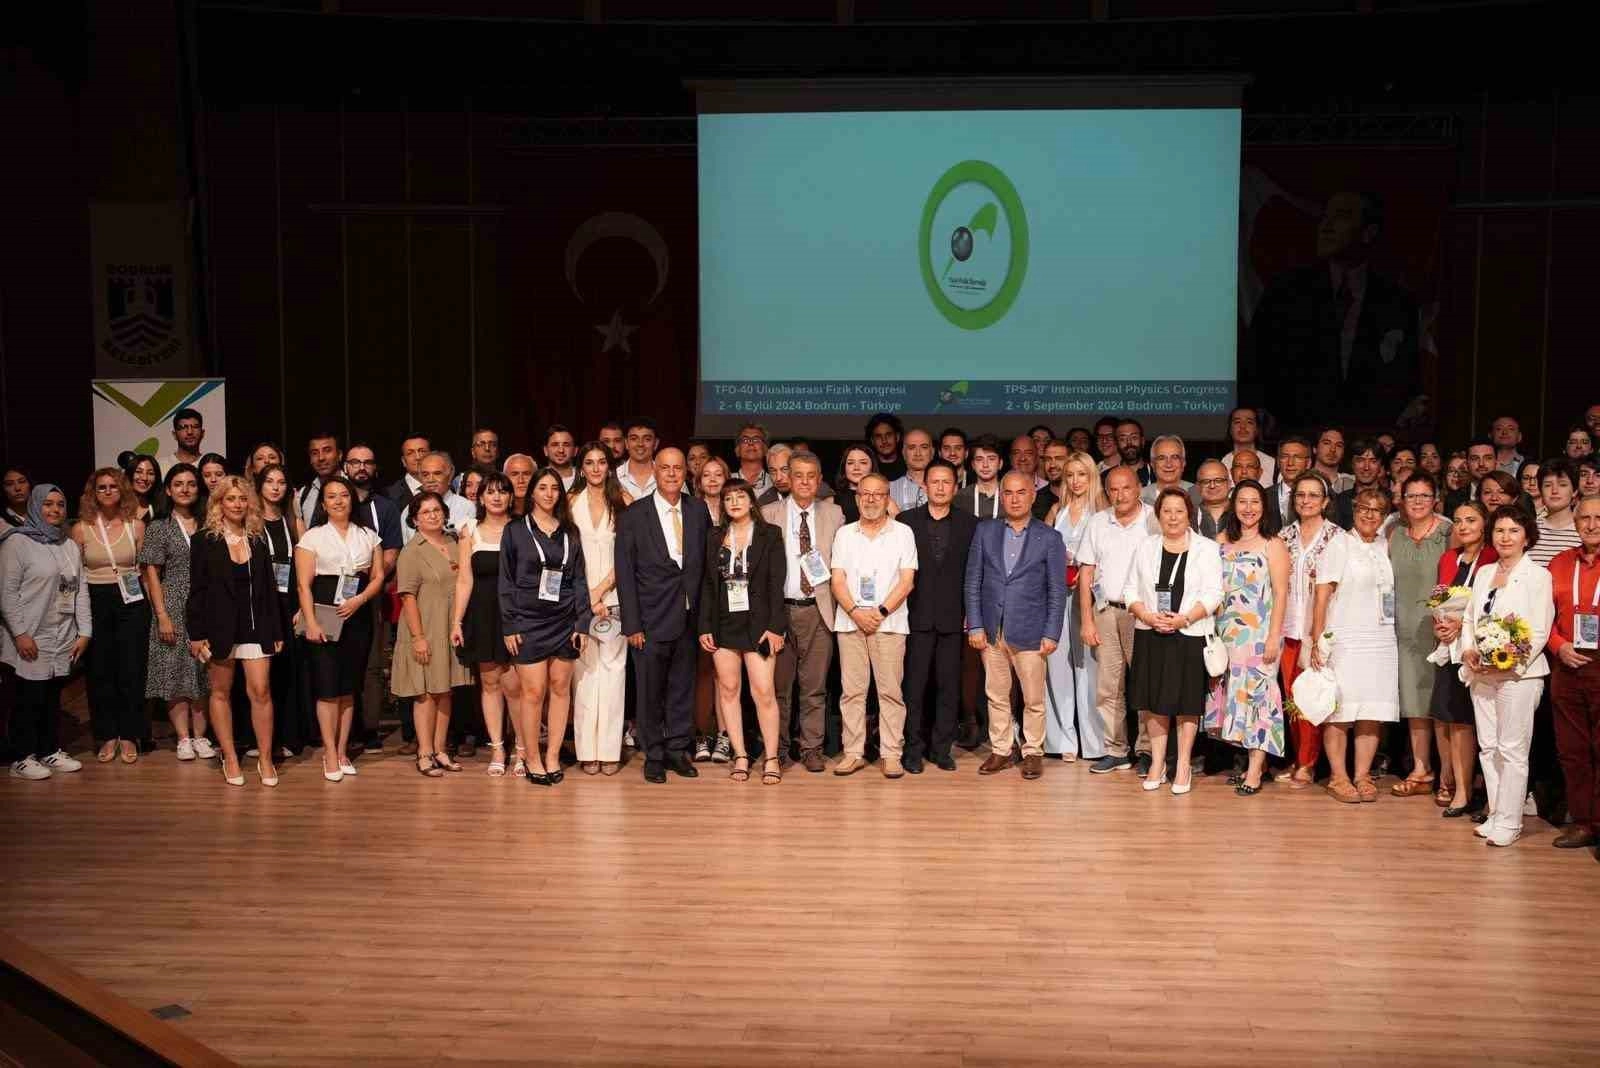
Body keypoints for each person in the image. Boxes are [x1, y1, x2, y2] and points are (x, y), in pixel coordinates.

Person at [1248, 190, 1421, 430]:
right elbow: (1256, 361)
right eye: (1324, 217)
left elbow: (1407, 377)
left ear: (1368, 232)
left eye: (1341, 216)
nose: (1326, 226)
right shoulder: (1285, 292)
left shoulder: (1397, 302)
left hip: (1367, 440)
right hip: (1295, 437)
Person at [966, 471, 1068, 781]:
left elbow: (1057, 590)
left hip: (1031, 630)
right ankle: (1001, 749)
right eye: (1008, 493)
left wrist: (1051, 632)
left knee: (1033, 697)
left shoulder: (1050, 538)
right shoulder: (985, 531)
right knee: (996, 694)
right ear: (1001, 496)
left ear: (1033, 495)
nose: (1014, 499)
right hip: (992, 629)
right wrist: (975, 625)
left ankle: (1033, 751)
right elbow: (972, 582)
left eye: (1021, 492)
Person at [1462, 507, 1554, 847]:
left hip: (1518, 675)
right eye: (1500, 530)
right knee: (1488, 748)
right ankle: (1497, 812)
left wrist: (1508, 663)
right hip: (1481, 673)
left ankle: (1511, 821)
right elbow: (1470, 618)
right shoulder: (1484, 572)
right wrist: (1468, 650)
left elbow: (1540, 629)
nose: (1505, 537)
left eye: (1513, 530)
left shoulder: (1538, 576)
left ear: (1527, 537)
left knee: (1512, 749)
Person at [187, 476, 285, 787]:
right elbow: (197, 591)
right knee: (221, 692)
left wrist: (276, 629)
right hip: (219, 629)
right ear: (219, 503)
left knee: (261, 691)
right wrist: (196, 633)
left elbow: (269, 589)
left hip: (257, 627)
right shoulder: (203, 540)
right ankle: (229, 756)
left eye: (242, 499)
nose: (237, 504)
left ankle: (266, 759)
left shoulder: (258, 538)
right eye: (230, 499)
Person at [616, 448, 707, 783]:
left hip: (689, 617)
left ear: (686, 473)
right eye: (665, 468)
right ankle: (653, 754)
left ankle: (677, 750)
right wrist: (632, 624)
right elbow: (625, 572)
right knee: (650, 692)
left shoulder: (697, 510)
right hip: (650, 620)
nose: (671, 474)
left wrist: (705, 620)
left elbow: (704, 568)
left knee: (682, 688)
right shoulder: (634, 515)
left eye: (677, 468)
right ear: (655, 471)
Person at [1124, 487, 1222, 794]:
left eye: (1179, 511)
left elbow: (1214, 594)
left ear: (1189, 514)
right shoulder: (1146, 547)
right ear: (1158, 515)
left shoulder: (1206, 548)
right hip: (1151, 631)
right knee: (1154, 701)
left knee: (1186, 702)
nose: (1173, 517)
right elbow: (1130, 590)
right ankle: (1157, 763)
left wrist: (1185, 619)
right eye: (1166, 511)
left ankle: (1182, 765)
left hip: (1189, 633)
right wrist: (1146, 614)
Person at [501, 469, 591, 786]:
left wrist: (582, 622)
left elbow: (579, 579)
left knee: (560, 688)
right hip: (527, 619)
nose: (549, 493)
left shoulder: (570, 532)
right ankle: (532, 757)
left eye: (555, 488)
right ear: (532, 493)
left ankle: (552, 755)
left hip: (565, 618)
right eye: (542, 487)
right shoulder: (515, 530)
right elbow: (506, 581)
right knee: (533, 691)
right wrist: (509, 624)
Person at [295, 475, 387, 782]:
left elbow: (378, 577)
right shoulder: (312, 537)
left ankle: (343, 749)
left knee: (349, 688)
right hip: (324, 613)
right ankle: (330, 752)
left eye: (344, 495)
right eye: (331, 496)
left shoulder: (368, 535)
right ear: (323, 504)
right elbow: (303, 585)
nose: (338, 501)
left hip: (357, 614)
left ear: (352, 499)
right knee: (328, 687)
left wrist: (360, 600)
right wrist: (311, 621)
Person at [698, 480, 786, 785]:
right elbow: (708, 586)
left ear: (751, 501)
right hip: (723, 623)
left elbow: (776, 584)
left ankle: (771, 757)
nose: (734, 502)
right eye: (728, 498)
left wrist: (776, 627)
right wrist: (704, 626)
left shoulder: (770, 534)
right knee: (728, 689)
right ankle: (740, 755)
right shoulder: (714, 536)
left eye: (740, 496)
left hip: (759, 625)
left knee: (763, 691)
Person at [830, 473, 917, 777]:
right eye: (865, 494)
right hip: (850, 622)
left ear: (887, 498)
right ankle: (853, 752)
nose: (870, 499)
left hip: (889, 623)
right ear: (857, 499)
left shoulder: (903, 533)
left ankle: (891, 753)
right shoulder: (844, 534)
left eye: (877, 494)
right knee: (852, 692)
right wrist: (856, 612)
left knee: (890, 692)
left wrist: (879, 612)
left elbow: (907, 581)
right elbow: (837, 580)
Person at [1204, 480, 1288, 794]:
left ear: (1264, 507)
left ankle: (1254, 771)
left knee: (1260, 699)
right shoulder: (1220, 542)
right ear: (1233, 505)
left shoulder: (1273, 544)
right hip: (1226, 634)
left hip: (1259, 635)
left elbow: (1281, 594)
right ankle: (1254, 763)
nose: (1248, 508)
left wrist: (1273, 636)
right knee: (1234, 698)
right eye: (1242, 501)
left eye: (1255, 502)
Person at [763, 449, 844, 774]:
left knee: (815, 688)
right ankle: (779, 748)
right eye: (798, 475)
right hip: (779, 613)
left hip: (818, 611)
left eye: (812, 476)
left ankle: (812, 748)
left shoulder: (834, 514)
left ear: (820, 480)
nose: (805, 482)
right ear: (787, 478)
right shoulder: (768, 514)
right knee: (779, 689)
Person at [2, 485, 90, 780]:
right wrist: (20, 634)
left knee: (52, 696)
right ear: (35, 506)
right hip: (31, 634)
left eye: (60, 504)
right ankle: (21, 757)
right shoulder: (17, 543)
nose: (55, 510)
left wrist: (85, 632)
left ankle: (49, 750)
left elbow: (80, 591)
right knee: (28, 697)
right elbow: (6, 594)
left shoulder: (68, 545)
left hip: (62, 633)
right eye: (48, 504)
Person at [1320, 487, 1399, 804]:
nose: (1369, 514)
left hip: (1381, 638)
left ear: (1384, 516)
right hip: (1345, 637)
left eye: (1377, 510)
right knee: (1341, 710)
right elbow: (1322, 594)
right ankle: (1338, 777)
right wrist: (1317, 638)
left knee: (1372, 708)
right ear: (1354, 510)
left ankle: (1362, 774)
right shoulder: (1339, 544)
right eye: (1364, 508)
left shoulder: (1384, 544)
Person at [899, 460, 977, 773]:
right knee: (914, 688)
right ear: (925, 485)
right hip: (915, 617)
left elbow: (974, 574)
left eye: (947, 482)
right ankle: (912, 750)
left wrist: (971, 615)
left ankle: (941, 749)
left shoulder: (970, 524)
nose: (941, 487)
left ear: (955, 487)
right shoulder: (906, 522)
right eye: (935, 481)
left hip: (953, 619)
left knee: (948, 687)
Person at [1079, 466, 1157, 774]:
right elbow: (1086, 572)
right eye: (1113, 489)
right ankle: (1116, 750)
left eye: (1126, 488)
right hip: (1105, 611)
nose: (1120, 495)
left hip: (1143, 613)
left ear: (1138, 488)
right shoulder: (1098, 522)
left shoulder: (1153, 519)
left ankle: (1148, 750)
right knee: (1108, 687)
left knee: (1146, 683)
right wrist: (1087, 619)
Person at [71, 467, 148, 764]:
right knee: (100, 670)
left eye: (113, 486)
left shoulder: (136, 526)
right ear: (93, 493)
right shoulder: (81, 529)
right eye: (101, 487)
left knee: (131, 669)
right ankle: (106, 734)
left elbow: (143, 572)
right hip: (95, 599)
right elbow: (75, 575)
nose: (107, 491)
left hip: (132, 601)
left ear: (122, 490)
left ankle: (129, 734)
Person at [393, 492, 472, 777]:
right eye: (425, 512)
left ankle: (440, 750)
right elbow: (407, 596)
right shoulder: (411, 551)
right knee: (425, 694)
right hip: (424, 627)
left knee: (445, 690)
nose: (433, 515)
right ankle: (424, 752)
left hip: (450, 627)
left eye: (437, 510)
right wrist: (418, 637)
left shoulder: (454, 543)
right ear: (415, 520)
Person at [137, 464, 212, 761]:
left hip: (206, 605)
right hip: (173, 606)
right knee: (176, 674)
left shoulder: (209, 523)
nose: (185, 489)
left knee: (204, 673)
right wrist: (162, 615)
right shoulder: (159, 526)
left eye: (191, 484)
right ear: (168, 490)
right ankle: (183, 738)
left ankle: (201, 737)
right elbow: (152, 575)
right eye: (178, 484)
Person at [451, 471, 522, 775]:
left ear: (510, 497)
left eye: (502, 491)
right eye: (490, 492)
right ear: (480, 497)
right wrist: (456, 621)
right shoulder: (470, 530)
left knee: (515, 685)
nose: (496, 497)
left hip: (515, 615)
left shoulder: (522, 528)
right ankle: (497, 748)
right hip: (481, 614)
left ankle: (522, 748)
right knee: (490, 683)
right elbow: (464, 580)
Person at [1388, 473, 1454, 798]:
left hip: (1439, 629)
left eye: (1424, 496)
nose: (1417, 501)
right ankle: (1421, 768)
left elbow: (1458, 579)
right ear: (1401, 500)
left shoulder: (1448, 533)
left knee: (1439, 704)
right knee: (1414, 701)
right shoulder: (1394, 534)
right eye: (1411, 495)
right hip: (1403, 630)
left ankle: (1449, 777)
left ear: (1435, 499)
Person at [1278, 472, 1346, 787]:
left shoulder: (1337, 537)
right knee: (1292, 698)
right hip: (1288, 628)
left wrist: (1320, 635)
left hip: (1322, 630)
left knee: (1315, 697)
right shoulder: (1284, 536)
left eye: (1313, 495)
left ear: (1326, 501)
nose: (1306, 501)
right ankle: (1299, 758)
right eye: (1300, 495)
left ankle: (1309, 764)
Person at [1428, 500, 1494, 816]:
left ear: (1485, 524)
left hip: (1477, 650)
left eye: (1471, 520)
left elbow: (1492, 605)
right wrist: (1440, 624)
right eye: (1458, 520)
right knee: (1455, 720)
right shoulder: (1448, 558)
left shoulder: (1492, 558)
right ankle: (1461, 792)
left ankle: (1489, 795)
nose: (1463, 526)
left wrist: (1462, 625)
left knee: (1480, 724)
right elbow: (1438, 599)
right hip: (1449, 650)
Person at [568, 445, 631, 775]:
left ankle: (609, 751)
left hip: (614, 597)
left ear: (610, 466)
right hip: (578, 600)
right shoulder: (569, 502)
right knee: (584, 674)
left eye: (601, 462)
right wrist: (586, 596)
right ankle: (586, 751)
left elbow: (629, 554)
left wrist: (601, 590)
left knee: (613, 673)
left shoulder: (623, 500)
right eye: (589, 462)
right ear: (581, 467)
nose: (595, 468)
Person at [1043, 451, 1109, 762]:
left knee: (1089, 669)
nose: (1075, 481)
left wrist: (1084, 572)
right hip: (1058, 594)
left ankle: (1094, 743)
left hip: (1090, 597)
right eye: (1070, 475)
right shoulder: (1057, 509)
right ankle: (1062, 741)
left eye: (1081, 474)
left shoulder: (1102, 510)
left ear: (1092, 476)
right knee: (1057, 666)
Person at [1546, 496, 1600, 853]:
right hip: (1566, 663)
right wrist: (1558, 645)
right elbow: (1542, 616)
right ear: (1575, 523)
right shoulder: (1560, 563)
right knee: (1572, 749)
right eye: (1585, 518)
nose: (1592, 525)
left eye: (1599, 518)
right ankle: (1583, 822)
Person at [254, 462, 309, 755]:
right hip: (260, 606)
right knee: (261, 675)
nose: (276, 487)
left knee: (288, 672)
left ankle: (288, 738)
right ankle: (261, 740)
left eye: (281, 482)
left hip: (289, 606)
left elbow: (304, 570)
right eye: (270, 481)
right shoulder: (250, 522)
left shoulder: (294, 523)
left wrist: (302, 606)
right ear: (259, 486)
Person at [690, 454, 731, 760]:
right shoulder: (690, 512)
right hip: (699, 600)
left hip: (732, 602)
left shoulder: (737, 509)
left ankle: (726, 736)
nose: (713, 479)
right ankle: (702, 734)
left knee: (727, 675)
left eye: (719, 474)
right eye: (707, 475)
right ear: (698, 481)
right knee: (703, 671)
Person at [1531, 459, 1583, 568]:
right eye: (1548, 485)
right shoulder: (1529, 529)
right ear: (1540, 491)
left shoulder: (1585, 530)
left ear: (1574, 491)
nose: (1554, 491)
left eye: (1562, 485)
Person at [415, 452, 475, 536]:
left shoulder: (466, 507)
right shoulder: (410, 510)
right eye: (425, 475)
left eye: (437, 473)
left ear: (450, 475)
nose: (431, 479)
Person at [1266, 436, 1315, 528]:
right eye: (1285, 457)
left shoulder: (1320, 497)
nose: (1290, 463)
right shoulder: (1263, 496)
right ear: (1278, 462)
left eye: (1297, 457)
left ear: (1308, 463)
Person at [1221, 406, 1275, 486]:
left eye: (1249, 422)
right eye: (1237, 422)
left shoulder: (1271, 464)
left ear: (1257, 429)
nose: (1243, 426)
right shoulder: (1223, 464)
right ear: (1230, 429)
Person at [295, 431, 343, 520]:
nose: (321, 458)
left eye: (327, 451)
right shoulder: (303, 494)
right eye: (315, 453)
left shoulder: (353, 489)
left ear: (339, 455)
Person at [953, 434, 1002, 519]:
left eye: (991, 459)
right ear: (973, 465)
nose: (985, 465)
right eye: (979, 459)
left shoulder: (1011, 495)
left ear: (1000, 464)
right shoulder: (960, 497)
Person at [888, 428, 934, 512]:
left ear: (932, 452)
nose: (918, 453)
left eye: (924, 447)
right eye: (912, 448)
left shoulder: (945, 487)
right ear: (903, 453)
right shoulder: (889, 488)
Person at [834, 444, 879, 525]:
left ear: (872, 467)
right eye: (850, 463)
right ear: (844, 467)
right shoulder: (831, 502)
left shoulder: (885, 499)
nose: (856, 468)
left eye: (863, 463)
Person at [385, 433, 432, 507]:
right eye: (410, 453)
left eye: (422, 451)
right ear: (404, 461)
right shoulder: (389, 496)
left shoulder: (446, 487)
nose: (418, 457)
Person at [617, 418, 659, 500]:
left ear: (656, 443)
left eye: (647, 439)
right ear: (626, 443)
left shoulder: (669, 476)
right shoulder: (615, 477)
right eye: (634, 439)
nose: (640, 444)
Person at [733, 422, 773, 500]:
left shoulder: (774, 481)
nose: (750, 443)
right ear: (737, 450)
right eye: (745, 440)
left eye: (756, 440)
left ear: (766, 449)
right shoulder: (727, 479)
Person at [1193, 460, 1231, 538]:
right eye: (1206, 482)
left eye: (1218, 481)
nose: (1212, 486)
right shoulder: (1189, 517)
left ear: (1229, 484)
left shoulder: (1243, 513)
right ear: (1198, 487)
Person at [865, 412, 906, 481]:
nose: (884, 441)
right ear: (872, 441)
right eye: (878, 436)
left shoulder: (909, 466)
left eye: (888, 435)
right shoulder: (866, 467)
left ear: (897, 437)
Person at [1314, 426, 1354, 495]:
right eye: (1327, 443)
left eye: (1339, 445)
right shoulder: (1301, 479)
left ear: (1343, 451)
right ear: (1315, 448)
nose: (1333, 449)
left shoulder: (1352, 482)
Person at [1114, 420, 1153, 487]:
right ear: (1117, 444)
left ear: (1142, 441)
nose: (1129, 443)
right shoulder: (1106, 476)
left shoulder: (1157, 474)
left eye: (1134, 437)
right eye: (1123, 439)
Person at [165, 407, 205, 471]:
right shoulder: (161, 466)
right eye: (183, 427)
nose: (190, 432)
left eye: (195, 427)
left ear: (202, 433)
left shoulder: (211, 466)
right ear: (174, 434)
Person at [126, 455, 162, 521]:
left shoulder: (161, 509)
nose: (144, 478)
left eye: (150, 473)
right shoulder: (116, 505)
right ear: (129, 474)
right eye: (138, 472)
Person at [757, 442, 791, 508]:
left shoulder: (811, 496)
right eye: (773, 471)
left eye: (785, 469)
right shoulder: (762, 503)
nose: (778, 478)